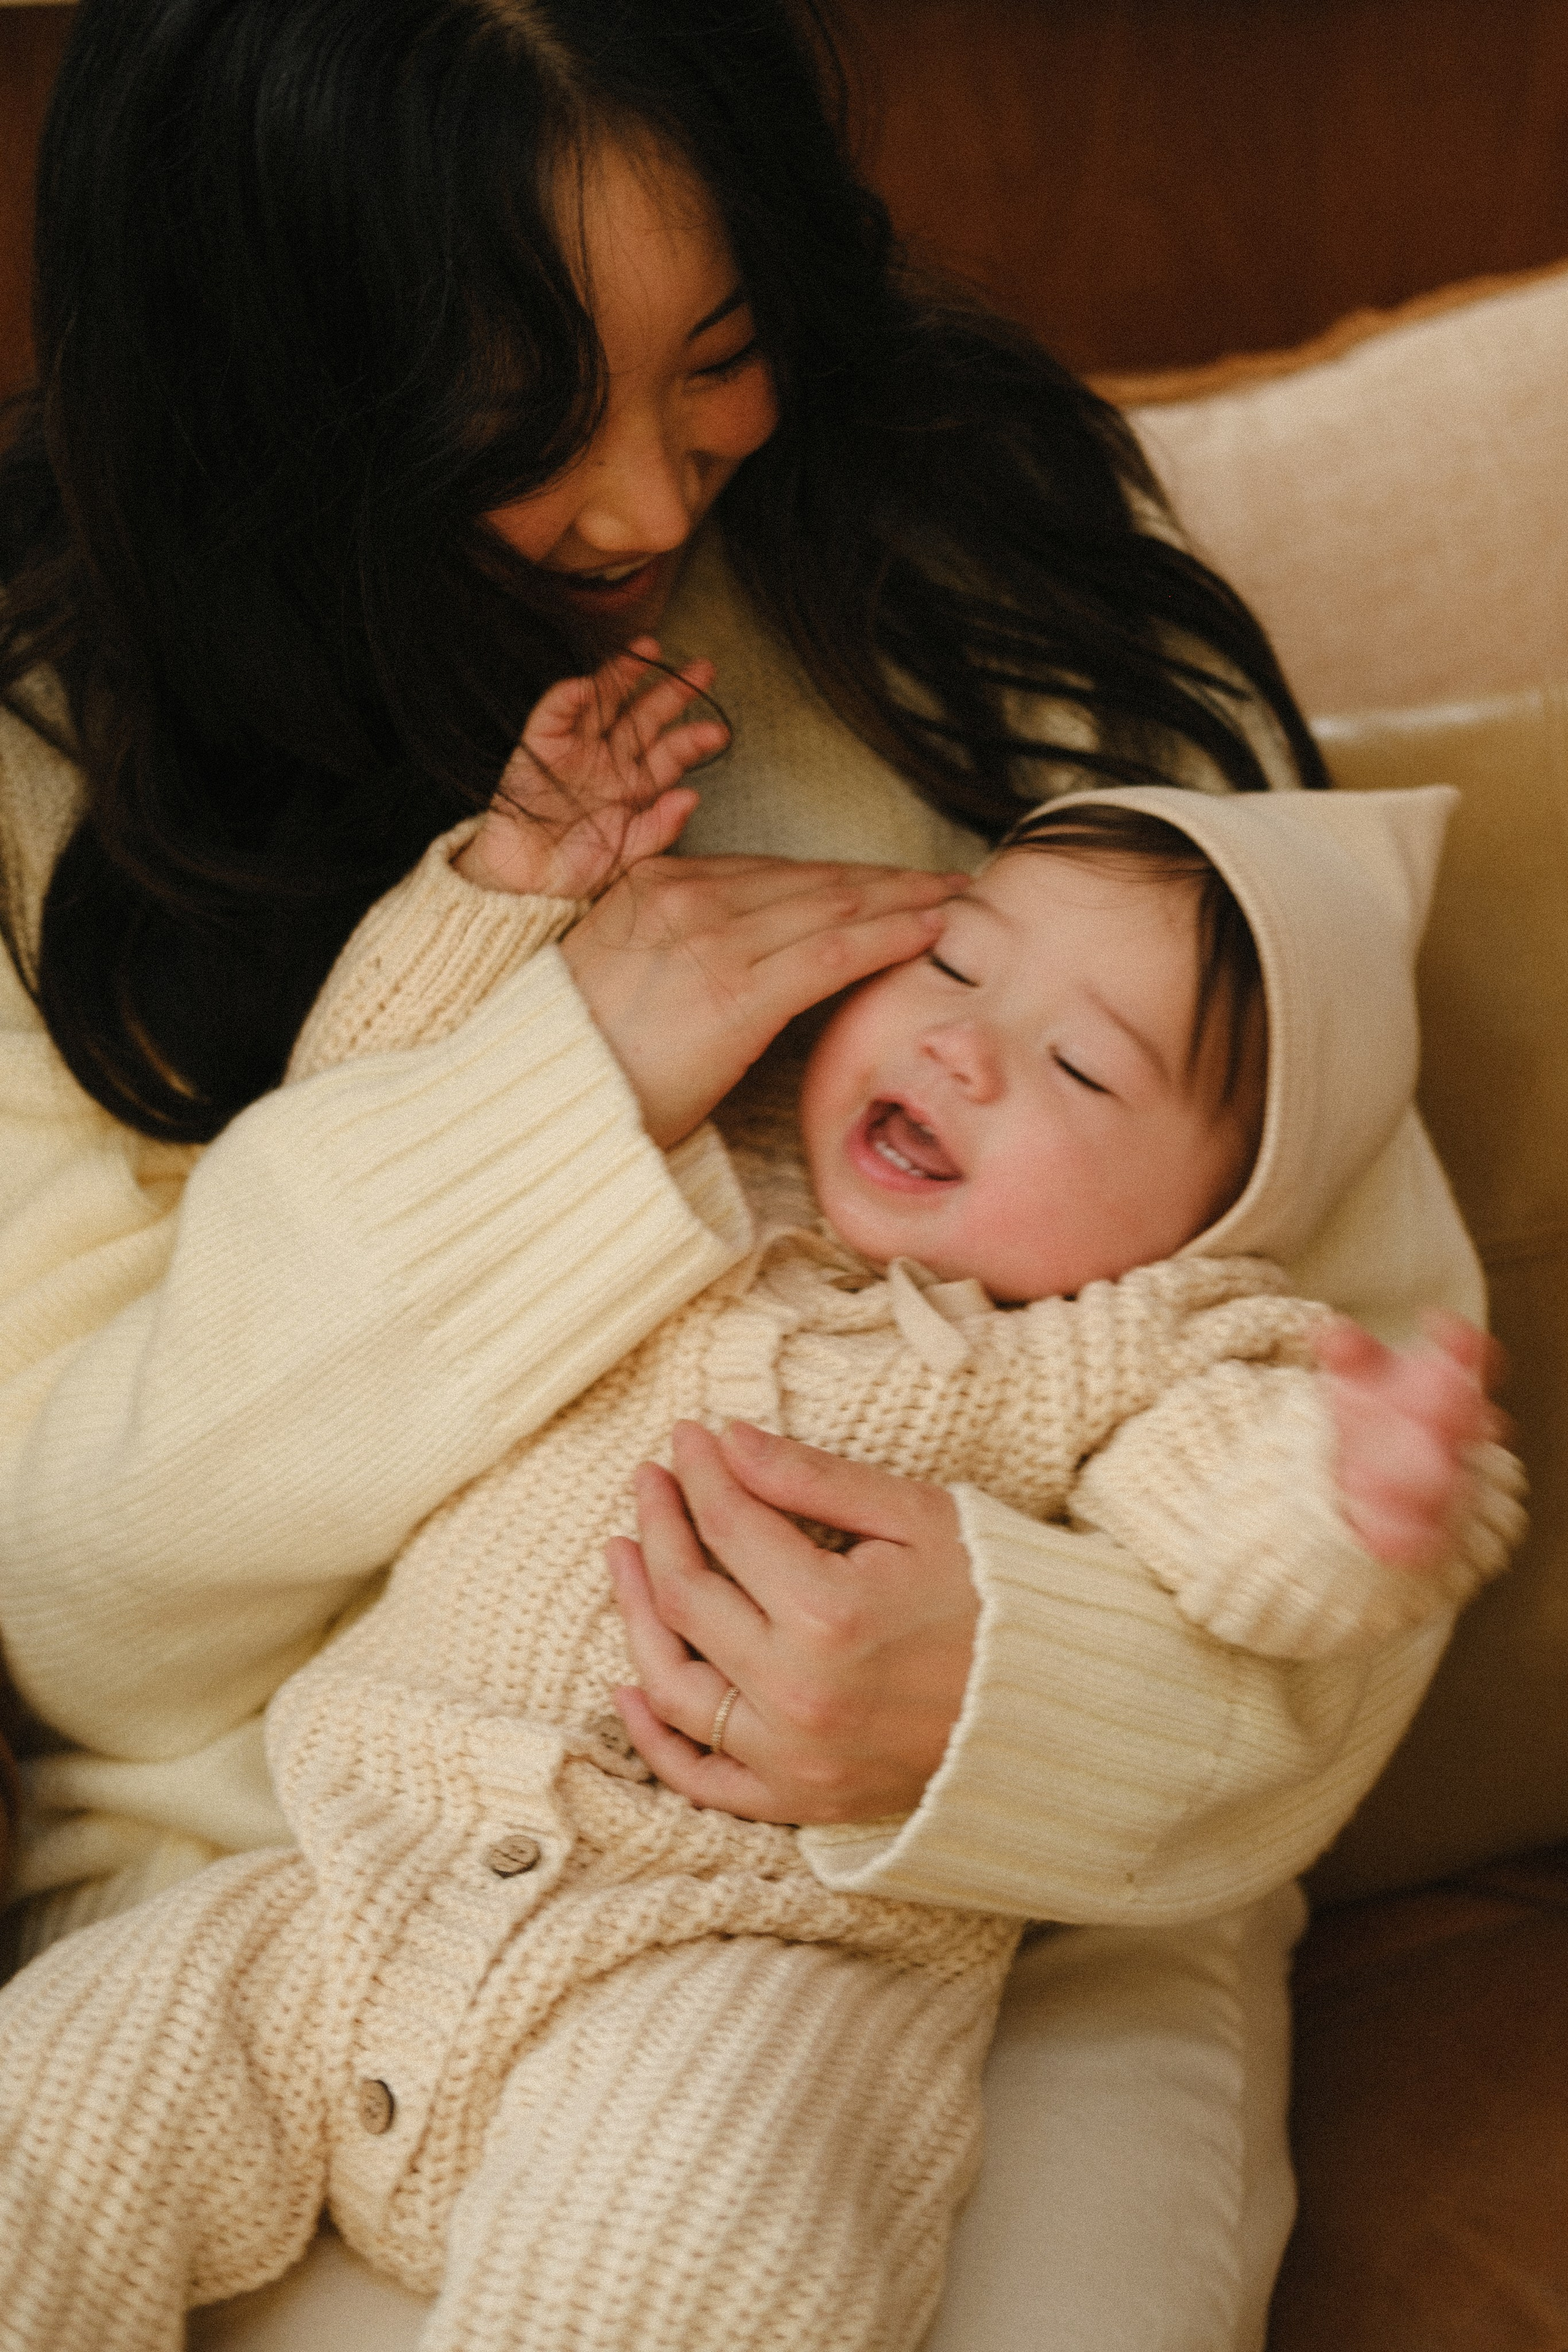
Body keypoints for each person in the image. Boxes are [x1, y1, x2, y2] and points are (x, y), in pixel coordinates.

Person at [0, 2, 1493, 2345]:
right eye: (510, 424)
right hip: (289, 1861)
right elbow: (84, 1600)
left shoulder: (980, 566)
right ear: (267, 398)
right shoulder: (42, 760)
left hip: (987, 1921)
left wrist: (997, 1693)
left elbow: (1314, 1438)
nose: (644, 506)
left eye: (718, 358)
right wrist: (564, 1084)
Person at [0, 747, 1521, 2352]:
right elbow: (376, 1101)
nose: (964, 1045)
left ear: (1219, 1219)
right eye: (953, 959)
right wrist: (500, 896)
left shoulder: (1123, 1349)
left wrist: (1364, 1492)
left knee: (697, 2228)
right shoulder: (694, 1147)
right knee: (63, 2098)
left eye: (1081, 1067)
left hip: (732, 1958)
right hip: (350, 1868)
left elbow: (1238, 1517)